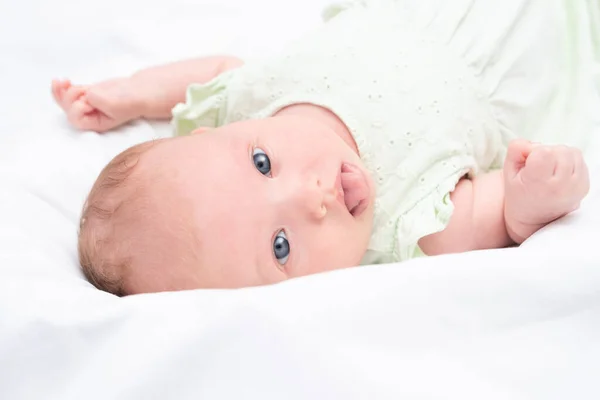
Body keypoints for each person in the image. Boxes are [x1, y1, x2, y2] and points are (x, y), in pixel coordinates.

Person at [52, 0, 590, 295]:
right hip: (542, 44)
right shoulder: (408, 224)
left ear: (215, 130)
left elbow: (215, 73)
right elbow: (498, 212)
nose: (311, 197)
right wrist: (531, 196)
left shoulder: (253, 99)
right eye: (281, 246)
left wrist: (131, 93)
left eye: (262, 165)